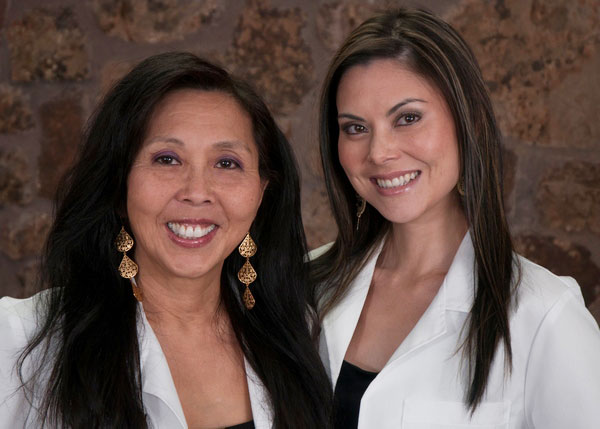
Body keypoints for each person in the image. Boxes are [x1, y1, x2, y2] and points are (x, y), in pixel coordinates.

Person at [0, 52, 332, 428]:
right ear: (118, 186)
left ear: (261, 193)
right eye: (167, 159)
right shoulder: (20, 339)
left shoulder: (302, 334)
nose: (197, 192)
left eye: (227, 163)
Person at [310, 8, 600, 429]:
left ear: (468, 122)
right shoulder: (306, 286)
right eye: (355, 128)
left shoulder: (543, 315)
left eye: (408, 118)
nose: (379, 152)